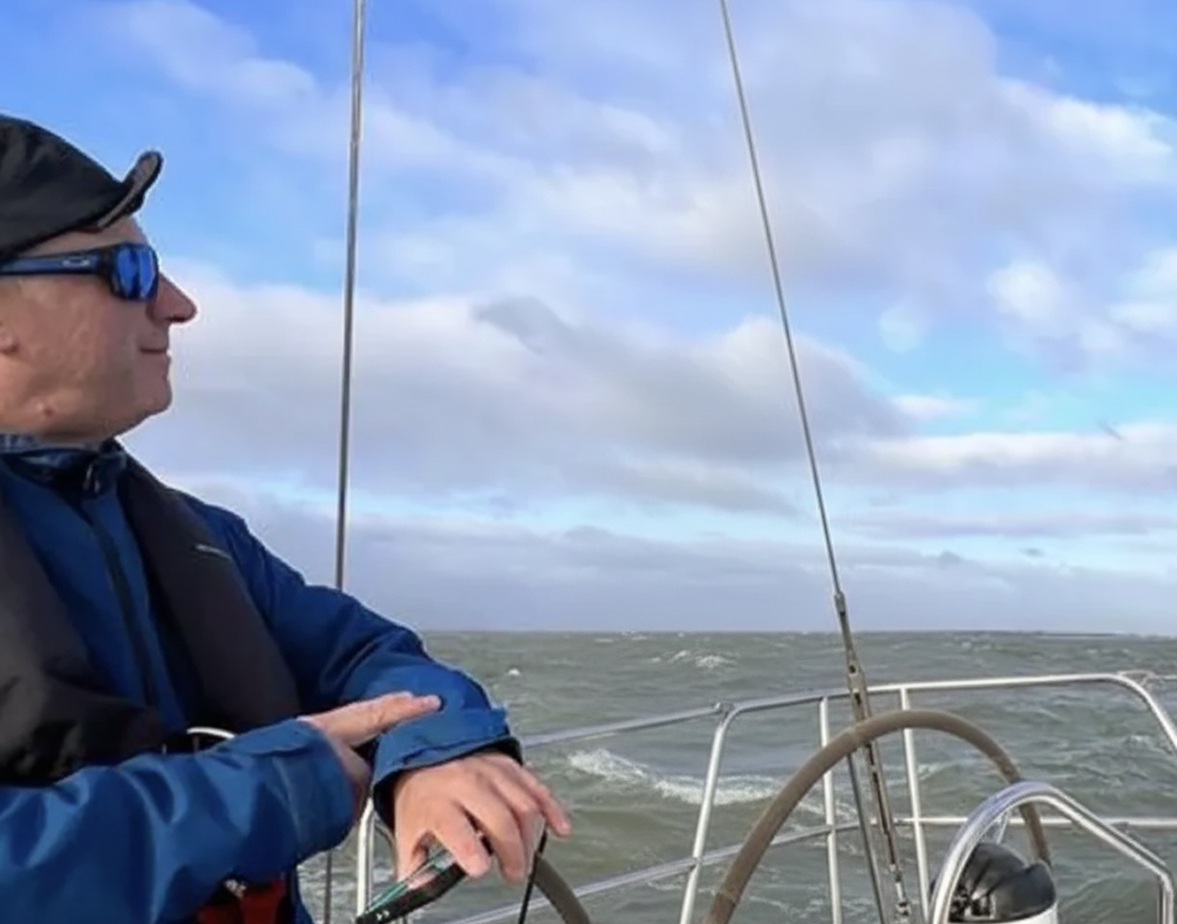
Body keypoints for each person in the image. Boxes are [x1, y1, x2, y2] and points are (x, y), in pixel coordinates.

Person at [0, 113, 571, 924]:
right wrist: (263, 788)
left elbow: (363, 653)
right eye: (129, 272)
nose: (178, 304)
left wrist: (432, 758)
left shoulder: (204, 538)